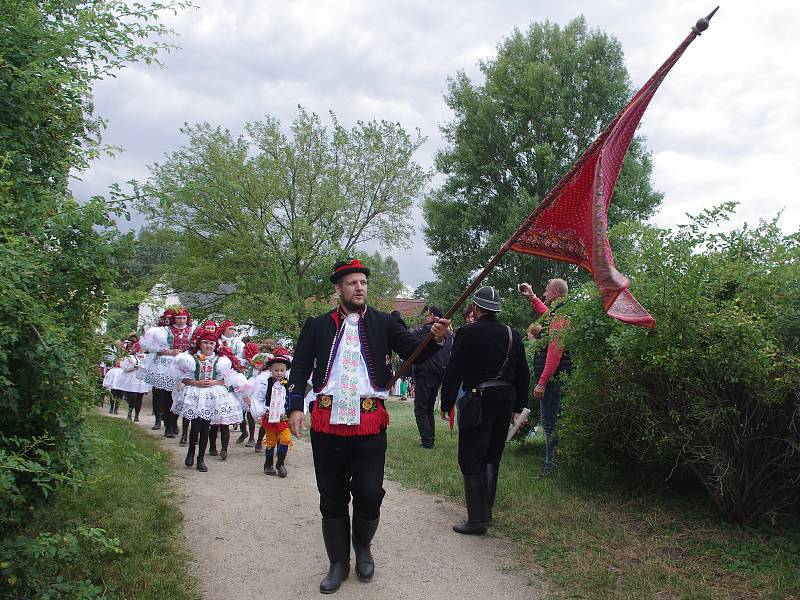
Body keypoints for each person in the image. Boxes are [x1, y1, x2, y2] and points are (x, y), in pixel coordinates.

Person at [286, 258, 450, 594]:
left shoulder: (384, 323)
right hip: (327, 421)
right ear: (338, 288)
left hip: (370, 421)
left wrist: (434, 338)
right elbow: (300, 368)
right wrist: (295, 408)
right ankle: (337, 563)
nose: (359, 288)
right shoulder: (316, 325)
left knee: (369, 493)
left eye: (363, 282)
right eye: (352, 283)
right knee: (331, 497)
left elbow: (411, 352)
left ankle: (363, 549)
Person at [440, 286, 530, 535]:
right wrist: (518, 407)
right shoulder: (513, 335)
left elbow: (454, 371)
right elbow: (523, 373)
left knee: (471, 457)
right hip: (504, 403)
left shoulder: (467, 333)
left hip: (477, 402)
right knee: (492, 456)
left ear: (477, 309)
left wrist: (446, 403)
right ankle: (485, 513)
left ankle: (477, 521)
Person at [518, 279, 572, 475]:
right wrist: (532, 297)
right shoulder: (559, 312)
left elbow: (555, 351)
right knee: (555, 421)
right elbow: (545, 313)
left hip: (553, 380)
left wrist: (542, 381)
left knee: (550, 422)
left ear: (556, 292)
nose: (544, 293)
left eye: (547, 290)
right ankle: (556, 463)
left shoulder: (561, 315)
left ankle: (551, 466)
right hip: (558, 378)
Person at [171, 331, 246, 471]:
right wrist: (195, 383)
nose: (208, 346)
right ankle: (191, 452)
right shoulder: (190, 359)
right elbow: (183, 378)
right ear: (200, 343)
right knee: (195, 426)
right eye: (205, 342)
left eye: (211, 343)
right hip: (195, 393)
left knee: (206, 426)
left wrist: (215, 381)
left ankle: (201, 459)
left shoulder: (221, 361)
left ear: (215, 345)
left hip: (212, 394)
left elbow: (226, 379)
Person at [139, 306, 193, 437]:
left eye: (183, 318)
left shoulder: (192, 331)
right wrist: (169, 352)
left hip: (184, 366)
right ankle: (167, 425)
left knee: (180, 397)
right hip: (167, 366)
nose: (181, 321)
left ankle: (174, 422)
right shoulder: (163, 330)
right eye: (179, 318)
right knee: (167, 396)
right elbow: (150, 347)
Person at [411, 305, 453, 449]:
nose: (425, 318)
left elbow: (410, 339)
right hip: (438, 373)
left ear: (434, 317)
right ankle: (430, 438)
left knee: (421, 409)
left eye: (427, 315)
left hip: (426, 372)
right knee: (428, 408)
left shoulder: (429, 330)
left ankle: (427, 441)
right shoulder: (448, 334)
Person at [246, 349, 292, 477]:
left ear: (286, 371)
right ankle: (268, 464)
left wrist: (295, 413)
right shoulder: (265, 383)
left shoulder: (289, 384)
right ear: (270, 370)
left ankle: (281, 463)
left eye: (282, 370)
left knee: (285, 438)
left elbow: (295, 399)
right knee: (271, 441)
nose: (279, 373)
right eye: (276, 370)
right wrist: (259, 413)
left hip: (284, 418)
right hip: (270, 417)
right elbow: (258, 398)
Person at [117, 335, 150, 422]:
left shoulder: (147, 357)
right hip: (133, 378)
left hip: (141, 380)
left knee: (140, 397)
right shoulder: (131, 357)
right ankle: (130, 412)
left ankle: (137, 415)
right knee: (133, 396)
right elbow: (123, 366)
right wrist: (133, 367)